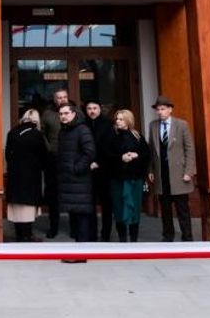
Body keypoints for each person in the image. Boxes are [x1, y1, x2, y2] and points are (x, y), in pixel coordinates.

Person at [147, 97, 196, 242]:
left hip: (179, 174)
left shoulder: (181, 125)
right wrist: (150, 169)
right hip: (161, 174)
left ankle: (187, 237)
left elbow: (189, 149)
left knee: (182, 209)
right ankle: (168, 236)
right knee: (165, 209)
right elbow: (151, 150)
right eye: (158, 109)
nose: (160, 112)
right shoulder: (153, 125)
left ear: (170, 109)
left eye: (163, 109)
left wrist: (188, 171)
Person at [55, 104, 96, 257]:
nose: (63, 116)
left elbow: (89, 152)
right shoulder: (63, 131)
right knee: (75, 217)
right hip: (68, 181)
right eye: (60, 114)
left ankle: (82, 253)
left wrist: (76, 168)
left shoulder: (82, 130)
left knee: (82, 217)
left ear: (74, 114)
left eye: (66, 113)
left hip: (80, 181)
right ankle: (77, 252)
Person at [5, 109, 49, 242]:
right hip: (31, 176)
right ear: (36, 120)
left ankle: (19, 235)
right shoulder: (37, 134)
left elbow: (7, 155)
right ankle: (27, 235)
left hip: (14, 175)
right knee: (28, 208)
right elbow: (44, 156)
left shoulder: (12, 132)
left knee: (17, 207)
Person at [108, 109, 150, 242]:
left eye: (121, 119)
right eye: (117, 119)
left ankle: (133, 240)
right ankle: (122, 240)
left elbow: (147, 154)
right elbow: (106, 155)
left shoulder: (137, 136)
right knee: (119, 209)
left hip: (135, 180)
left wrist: (136, 155)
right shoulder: (111, 136)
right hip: (117, 180)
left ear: (128, 120)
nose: (118, 121)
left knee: (134, 209)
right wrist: (121, 157)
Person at [84, 101, 116, 241]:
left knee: (106, 204)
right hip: (87, 170)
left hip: (105, 170)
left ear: (100, 109)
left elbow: (110, 147)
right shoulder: (83, 125)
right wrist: (87, 162)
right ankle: (92, 234)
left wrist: (98, 162)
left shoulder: (108, 125)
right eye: (89, 108)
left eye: (94, 108)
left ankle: (105, 234)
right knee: (89, 204)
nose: (92, 111)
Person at [40, 89, 66, 237]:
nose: (62, 99)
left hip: (70, 158)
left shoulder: (75, 113)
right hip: (53, 159)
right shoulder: (47, 114)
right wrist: (49, 148)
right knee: (53, 195)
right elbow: (42, 133)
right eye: (59, 97)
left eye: (64, 97)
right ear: (54, 99)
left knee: (71, 193)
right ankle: (53, 227)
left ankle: (75, 228)